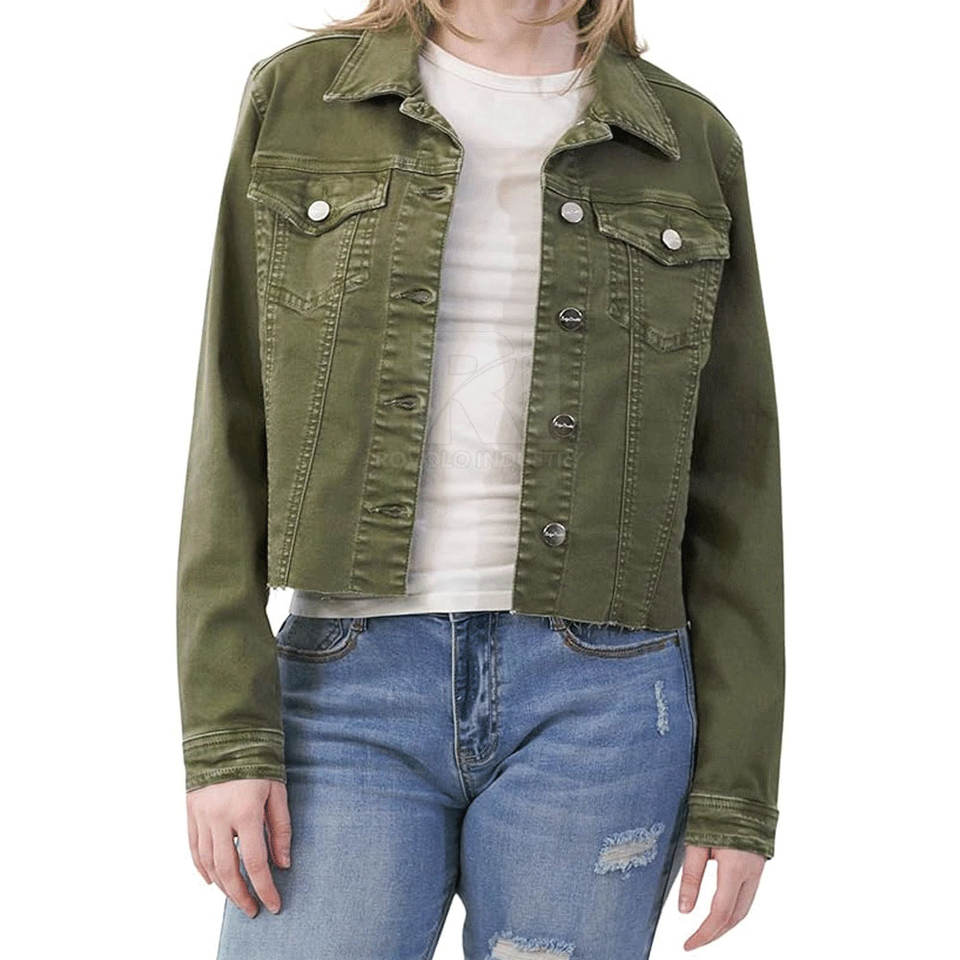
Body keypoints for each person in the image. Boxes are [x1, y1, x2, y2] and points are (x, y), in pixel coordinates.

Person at [176, 2, 785, 957]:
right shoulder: (302, 101)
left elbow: (735, 480)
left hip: (606, 700)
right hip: (345, 690)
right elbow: (231, 415)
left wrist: (737, 788)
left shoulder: (687, 142)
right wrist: (225, 731)